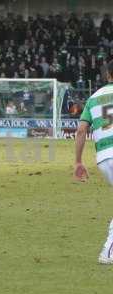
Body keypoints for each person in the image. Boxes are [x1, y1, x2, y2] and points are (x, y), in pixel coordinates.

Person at [74, 59, 113, 264]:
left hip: (103, 158)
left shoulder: (93, 98)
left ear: (108, 75)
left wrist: (78, 162)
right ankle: (108, 252)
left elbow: (81, 130)